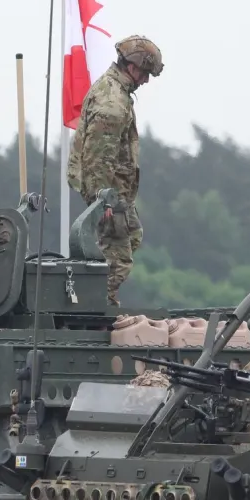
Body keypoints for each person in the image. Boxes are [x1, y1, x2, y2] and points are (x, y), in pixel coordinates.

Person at [66, 35, 164, 306]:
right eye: (145, 73)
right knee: (119, 259)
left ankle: (97, 299)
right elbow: (98, 157)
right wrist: (102, 201)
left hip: (114, 189)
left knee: (130, 236)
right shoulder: (112, 104)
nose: (145, 81)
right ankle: (94, 306)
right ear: (132, 67)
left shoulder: (116, 92)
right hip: (107, 190)